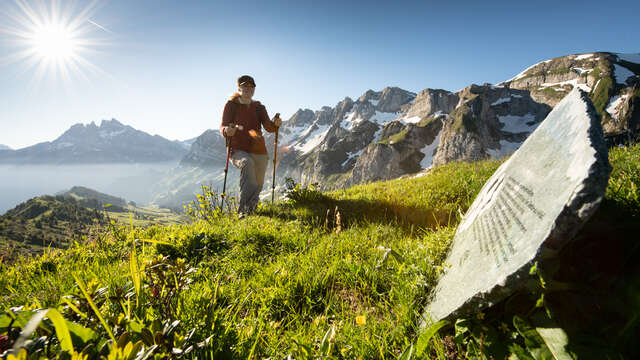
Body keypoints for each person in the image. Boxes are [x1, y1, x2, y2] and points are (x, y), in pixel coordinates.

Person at [220, 75, 282, 216]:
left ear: (254, 89)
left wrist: (276, 124)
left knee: (258, 181)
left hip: (259, 150)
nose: (248, 89)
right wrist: (226, 130)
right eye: (245, 86)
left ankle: (251, 210)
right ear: (239, 88)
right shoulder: (231, 105)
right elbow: (223, 125)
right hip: (237, 149)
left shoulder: (259, 107)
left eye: (251, 86)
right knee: (247, 164)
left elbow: (269, 127)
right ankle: (243, 212)